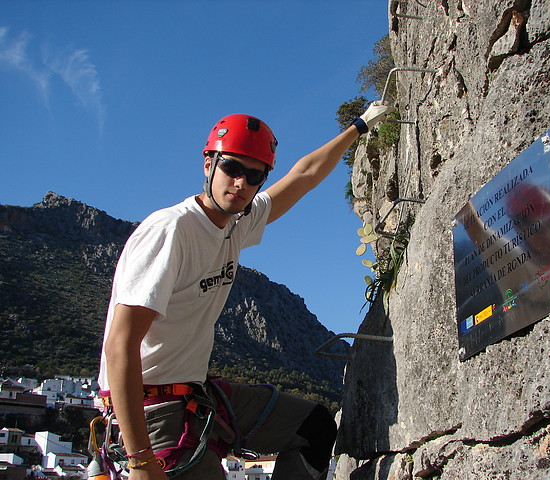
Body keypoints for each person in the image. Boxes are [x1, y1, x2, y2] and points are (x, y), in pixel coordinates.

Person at [96, 102, 394, 480]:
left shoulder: (238, 222)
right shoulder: (171, 231)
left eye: (254, 176)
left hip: (195, 394)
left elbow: (303, 175)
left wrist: (359, 126)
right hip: (149, 414)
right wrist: (140, 460)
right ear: (208, 164)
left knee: (313, 428)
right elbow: (120, 344)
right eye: (232, 168)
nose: (240, 183)